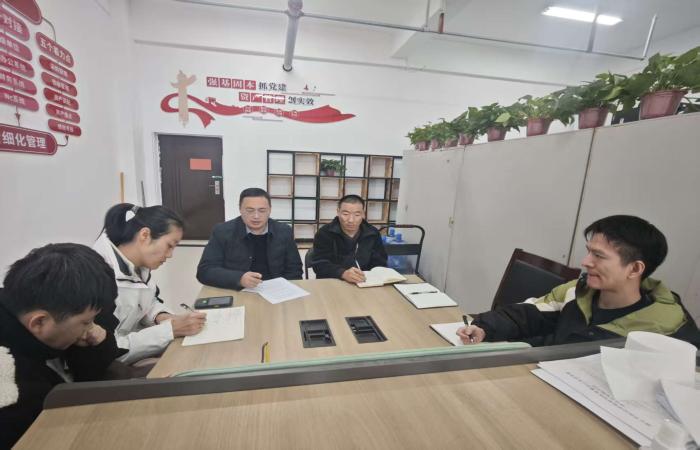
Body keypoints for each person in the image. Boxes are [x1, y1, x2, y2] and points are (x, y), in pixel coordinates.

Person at [457, 215, 699, 346]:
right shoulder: (576, 292)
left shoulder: (668, 330)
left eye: (598, 256)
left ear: (634, 269)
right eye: (588, 252)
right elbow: (527, 315)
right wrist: (484, 327)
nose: (585, 262)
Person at [0, 243, 119, 448]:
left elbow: (87, 378)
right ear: (39, 322)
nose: (92, 328)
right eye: (86, 322)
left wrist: (97, 345)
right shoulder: (11, 389)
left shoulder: (52, 313)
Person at [93, 203, 206, 366]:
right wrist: (170, 330)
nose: (170, 255)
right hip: (106, 367)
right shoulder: (98, 278)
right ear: (145, 235)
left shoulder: (138, 267)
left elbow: (148, 301)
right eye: (169, 245)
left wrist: (161, 317)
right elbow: (108, 349)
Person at [197, 188, 303, 290]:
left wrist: (285, 288)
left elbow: (295, 269)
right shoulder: (222, 232)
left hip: (276, 291)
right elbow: (205, 271)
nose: (256, 216)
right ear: (240, 209)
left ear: (270, 210)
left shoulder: (284, 231)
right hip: (237, 289)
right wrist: (239, 278)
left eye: (262, 210)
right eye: (250, 210)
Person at [311, 195, 388, 283]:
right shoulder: (325, 233)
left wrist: (372, 276)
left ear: (363, 214)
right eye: (345, 214)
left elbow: (380, 262)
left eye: (357, 215)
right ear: (338, 212)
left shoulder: (372, 233)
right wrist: (342, 273)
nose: (351, 220)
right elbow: (319, 264)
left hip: (364, 282)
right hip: (333, 282)